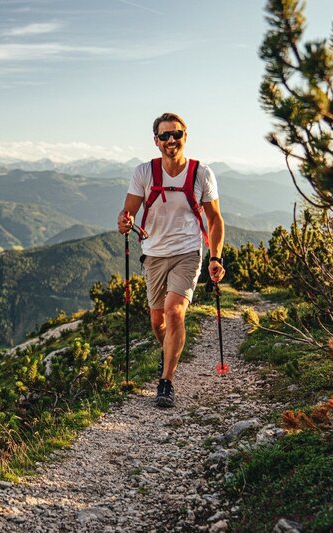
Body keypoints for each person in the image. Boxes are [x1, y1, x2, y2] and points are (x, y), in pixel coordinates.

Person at [117, 112, 225, 408]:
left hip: (188, 252)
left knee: (174, 312)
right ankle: (169, 349)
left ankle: (166, 382)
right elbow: (128, 212)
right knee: (157, 320)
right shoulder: (144, 173)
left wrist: (215, 256)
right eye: (164, 136)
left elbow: (215, 220)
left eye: (176, 134)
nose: (171, 140)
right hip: (153, 253)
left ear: (185, 136)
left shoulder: (202, 173)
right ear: (156, 141)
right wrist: (125, 222)